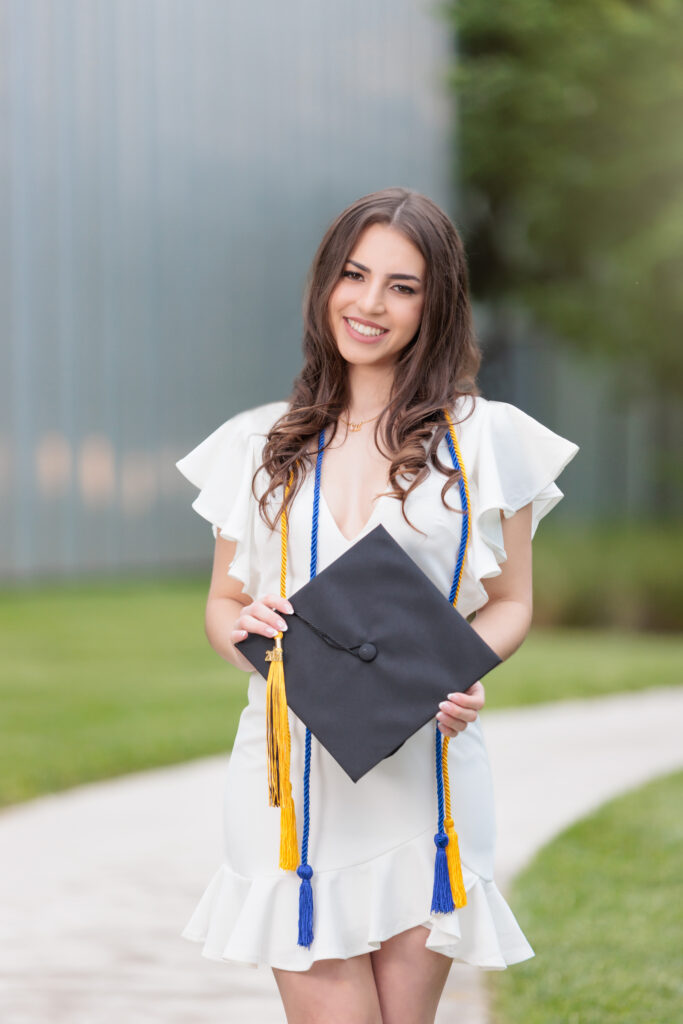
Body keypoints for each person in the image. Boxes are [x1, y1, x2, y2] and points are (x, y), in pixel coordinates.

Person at [175, 187, 580, 1023]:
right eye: (354, 276)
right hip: (292, 782)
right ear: (326, 283)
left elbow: (509, 604)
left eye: (403, 285)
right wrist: (241, 629)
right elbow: (223, 602)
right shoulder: (261, 442)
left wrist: (462, 671)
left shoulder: (484, 439)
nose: (369, 304)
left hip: (425, 779)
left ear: (437, 304)